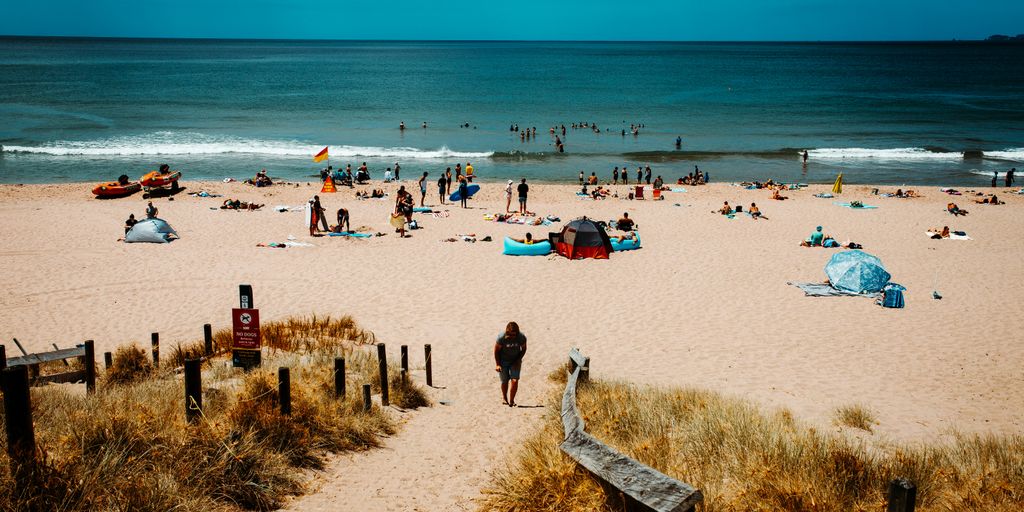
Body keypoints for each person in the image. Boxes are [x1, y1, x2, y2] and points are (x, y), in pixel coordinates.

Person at [493, 321, 527, 407]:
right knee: (504, 381)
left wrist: (518, 360)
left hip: (515, 361)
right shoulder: (501, 337)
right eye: (510, 335)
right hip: (503, 361)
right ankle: (505, 398)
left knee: (515, 381)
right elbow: (496, 351)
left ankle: (512, 401)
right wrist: (498, 364)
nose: (512, 337)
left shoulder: (521, 337)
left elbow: (523, 349)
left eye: (514, 335)